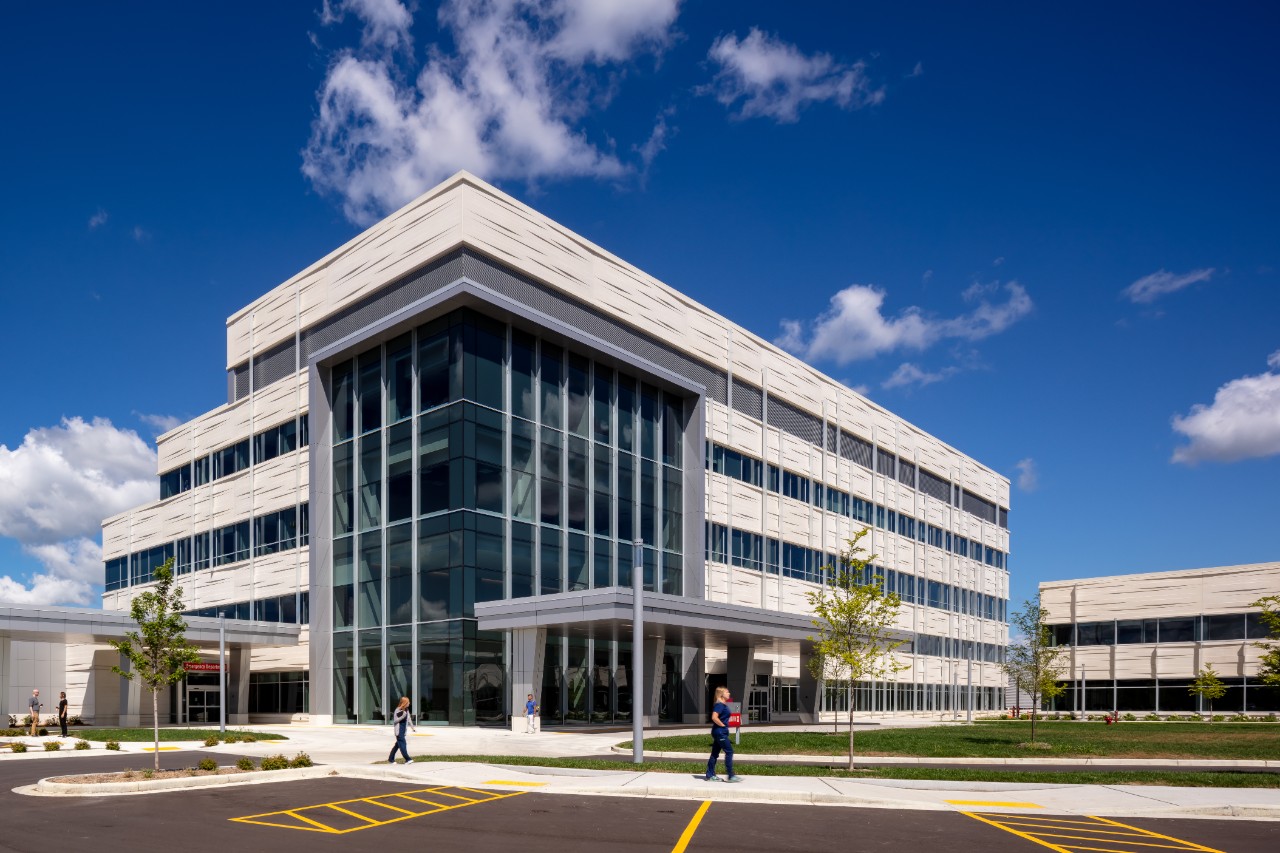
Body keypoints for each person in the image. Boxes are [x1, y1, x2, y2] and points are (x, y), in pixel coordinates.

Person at [704, 686, 742, 783]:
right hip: (720, 732)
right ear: (722, 694)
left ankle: (710, 775)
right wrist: (723, 726)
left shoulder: (723, 704)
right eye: (727, 692)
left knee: (714, 754)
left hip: (719, 732)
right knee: (729, 752)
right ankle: (731, 776)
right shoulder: (719, 705)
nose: (729, 693)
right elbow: (714, 717)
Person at [387, 696, 415, 765]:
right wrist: (402, 716)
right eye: (408, 702)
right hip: (398, 731)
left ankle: (391, 759)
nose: (409, 703)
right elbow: (395, 721)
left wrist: (412, 728)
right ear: (405, 703)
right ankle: (408, 759)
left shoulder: (406, 710)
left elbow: (409, 719)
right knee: (403, 745)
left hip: (403, 731)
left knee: (397, 745)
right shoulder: (398, 710)